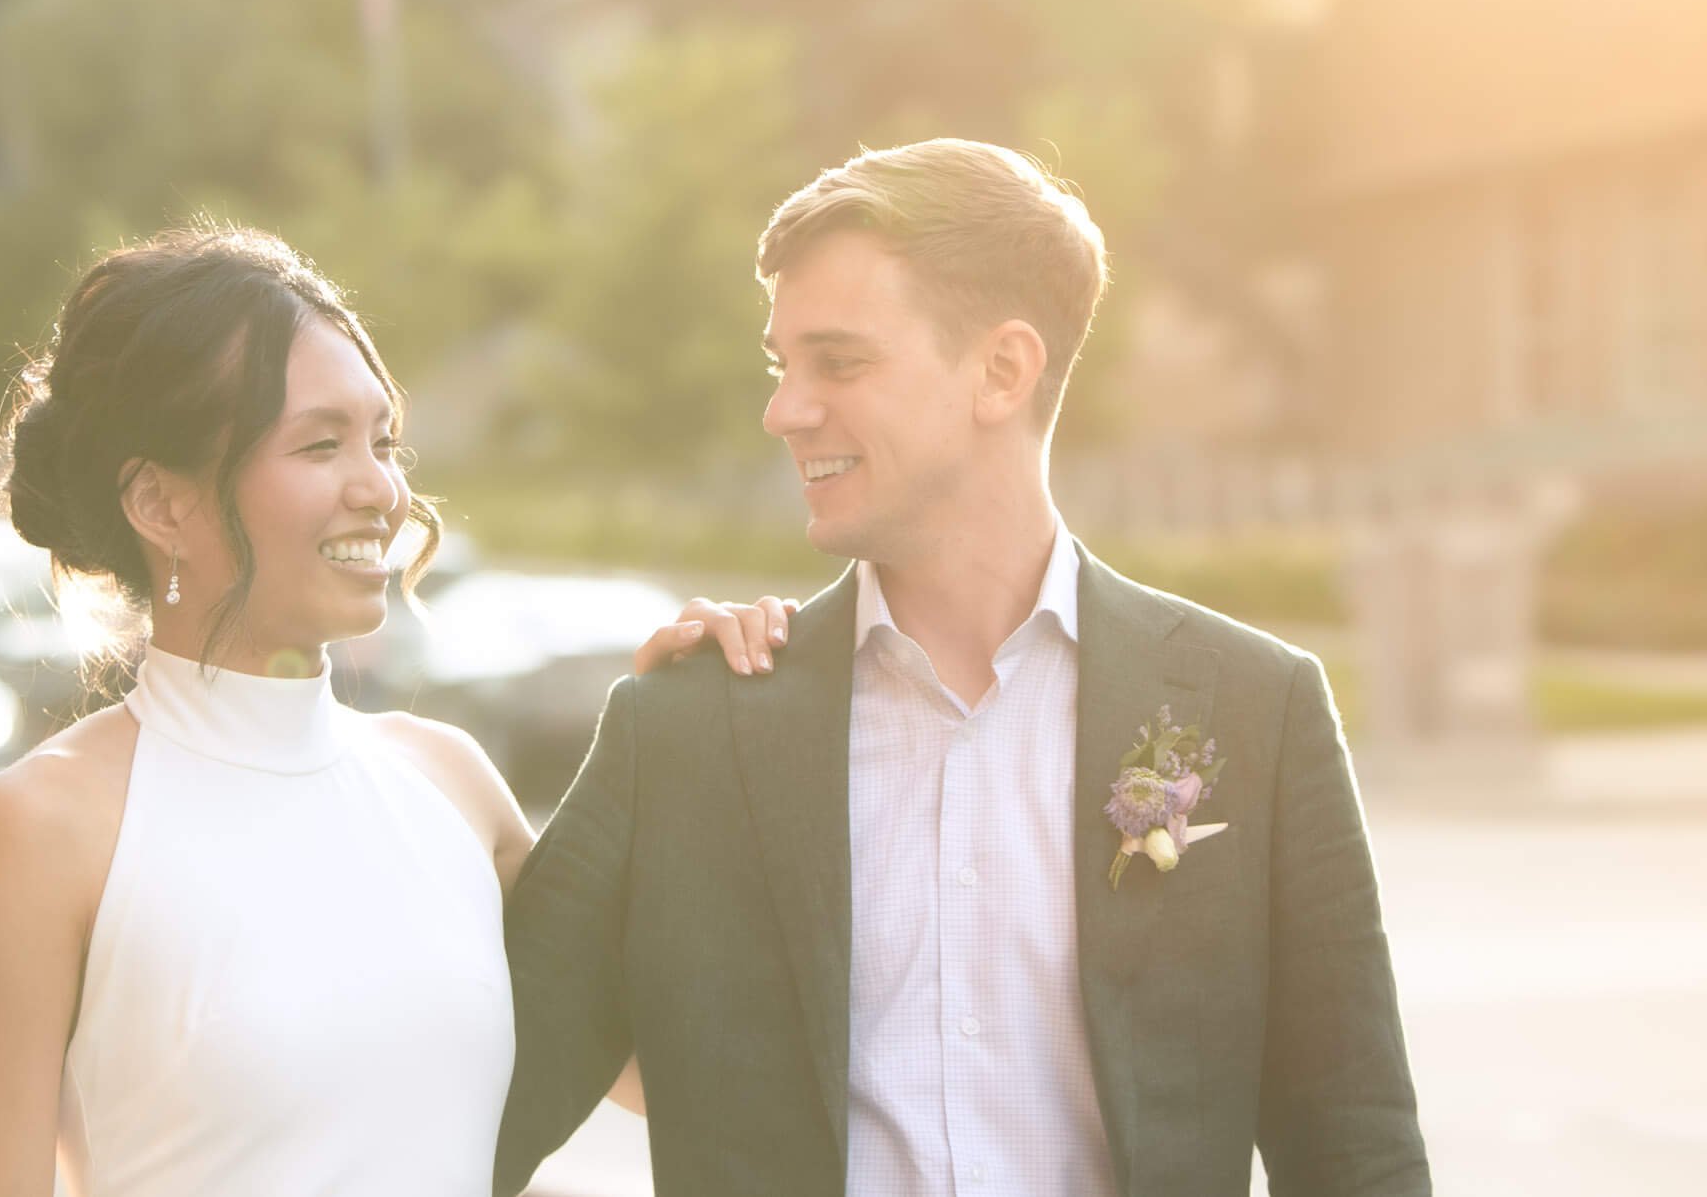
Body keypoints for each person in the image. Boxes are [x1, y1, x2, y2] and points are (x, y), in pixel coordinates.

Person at [497, 139, 1431, 1197]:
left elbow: (1357, 1150)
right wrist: (422, 779)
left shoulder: (1258, 711)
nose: (784, 410)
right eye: (781, 365)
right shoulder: (687, 725)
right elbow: (463, 1105)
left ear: (1002, 370)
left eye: (837, 362)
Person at [0, 223, 787, 1197]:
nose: (379, 486)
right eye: (319, 443)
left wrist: (697, 733)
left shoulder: (449, 780)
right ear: (160, 504)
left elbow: (674, 1067)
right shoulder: (49, 825)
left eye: (382, 440)